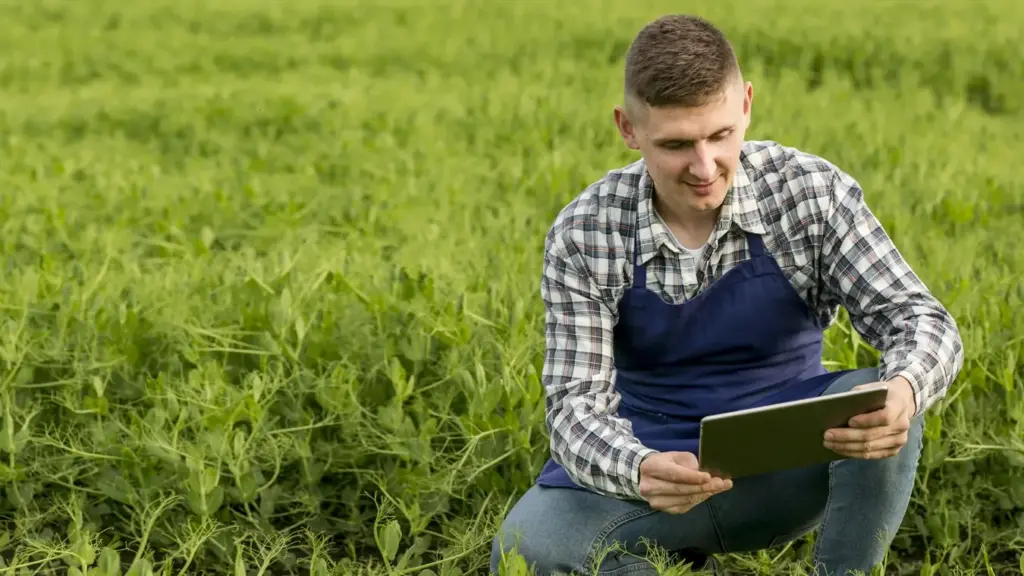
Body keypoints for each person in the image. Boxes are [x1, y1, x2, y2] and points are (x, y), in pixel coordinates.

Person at [489, 13, 964, 576]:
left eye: (720, 136)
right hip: (654, 466)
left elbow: (919, 318)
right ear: (628, 129)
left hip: (785, 463)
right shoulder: (586, 231)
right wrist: (638, 468)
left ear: (746, 105)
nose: (704, 166)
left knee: (878, 401)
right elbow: (575, 407)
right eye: (676, 144)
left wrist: (905, 390)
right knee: (527, 549)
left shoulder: (809, 193)